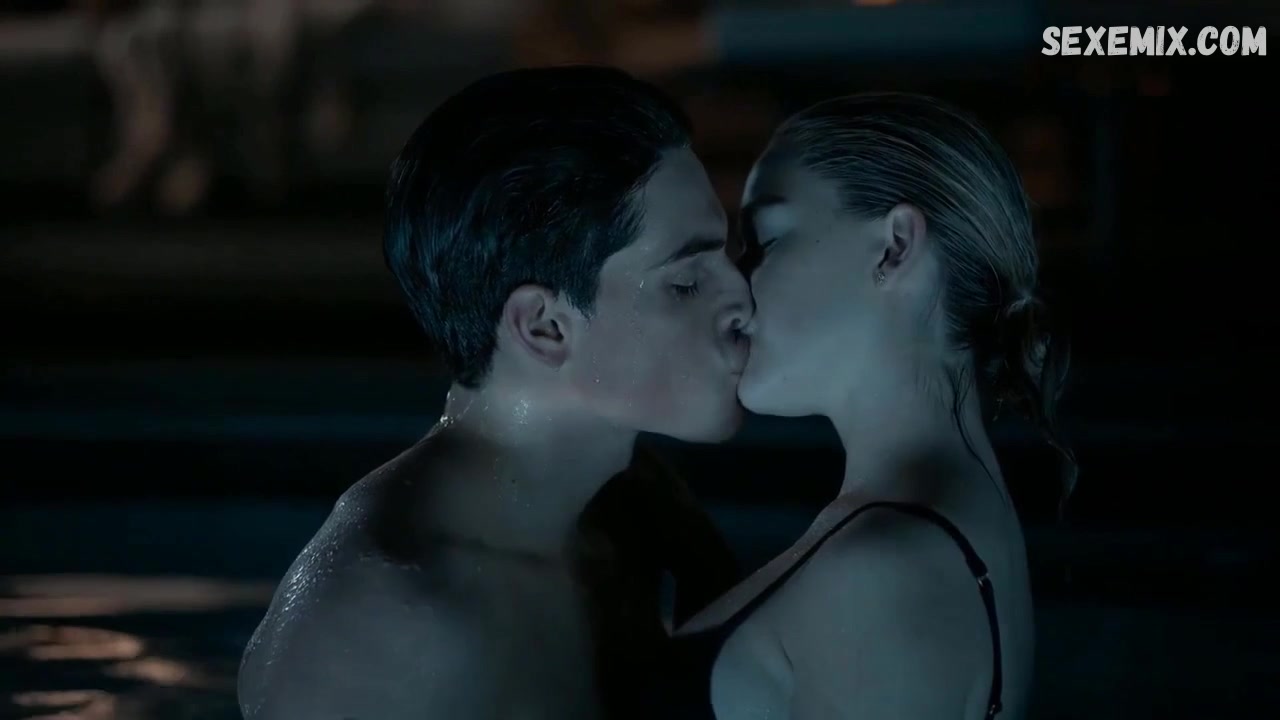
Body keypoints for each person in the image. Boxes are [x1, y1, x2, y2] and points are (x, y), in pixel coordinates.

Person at [238, 66, 752, 720]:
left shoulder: (632, 503)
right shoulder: (387, 621)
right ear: (544, 327)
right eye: (686, 282)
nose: (743, 299)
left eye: (730, 255)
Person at [675, 93, 1078, 720]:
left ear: (895, 247)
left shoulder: (884, 568)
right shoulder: (932, 521)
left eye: (764, 240)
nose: (734, 282)